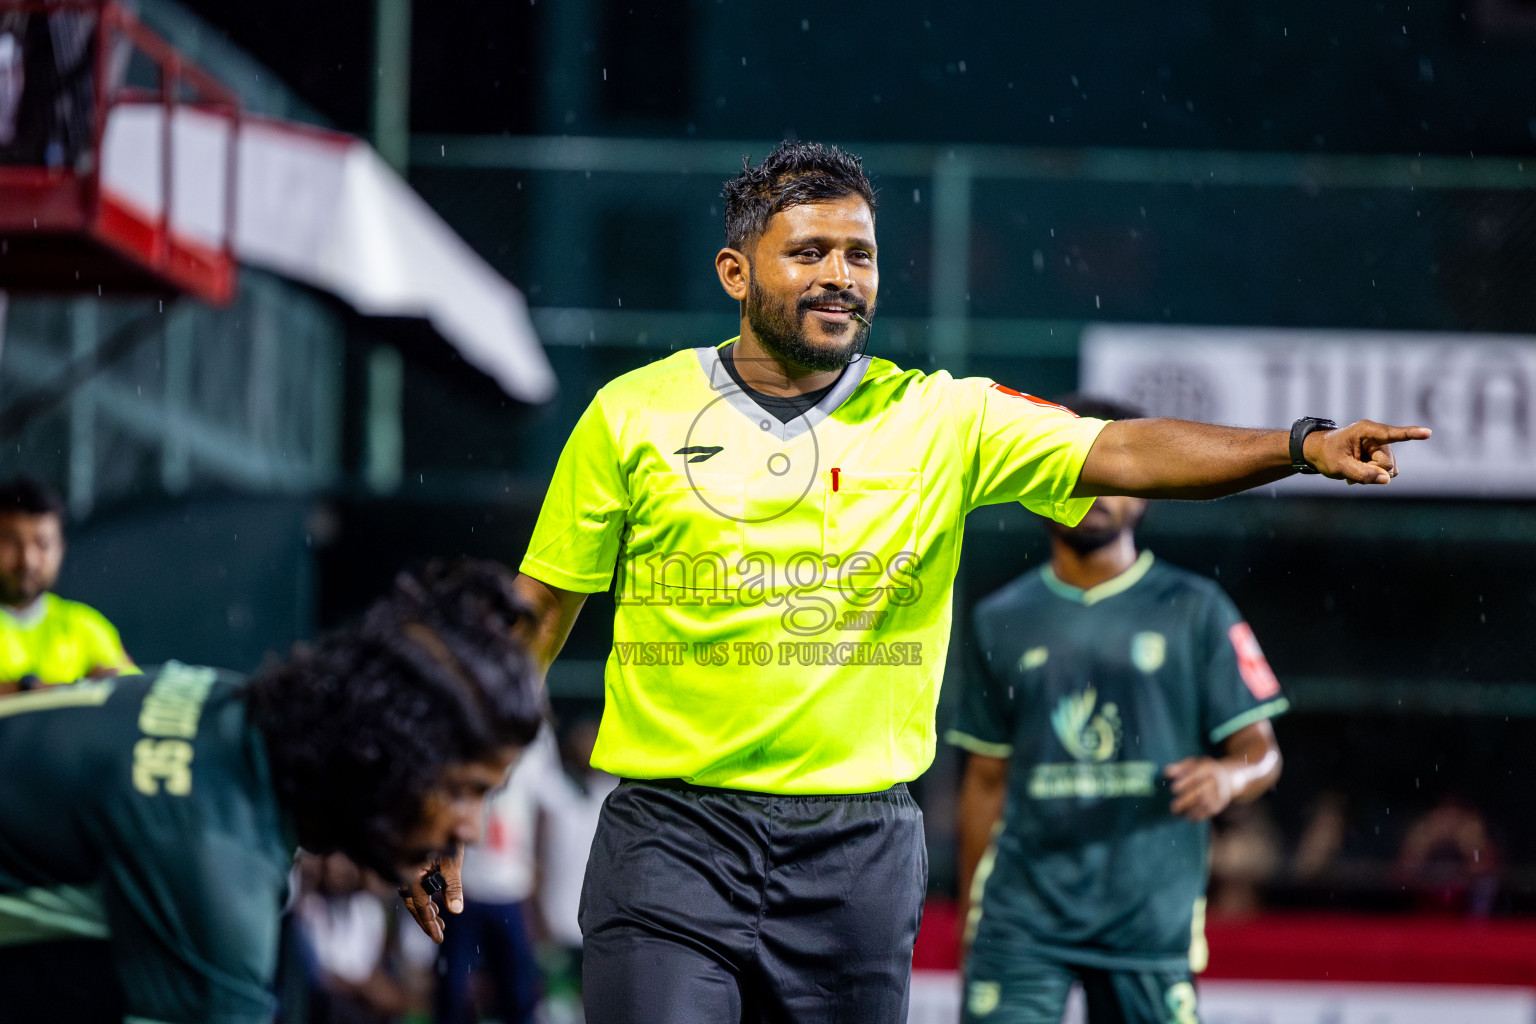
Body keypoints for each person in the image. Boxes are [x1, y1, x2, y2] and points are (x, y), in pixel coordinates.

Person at [402, 141, 1428, 1023]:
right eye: (808, 252)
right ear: (735, 272)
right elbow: (535, 621)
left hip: (855, 855)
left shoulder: (943, 418)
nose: (839, 275)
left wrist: (1299, 445)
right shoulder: (632, 414)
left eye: (859, 254)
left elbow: (1124, 448)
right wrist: (457, 797)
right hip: (672, 841)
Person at [0, 558, 543, 1024]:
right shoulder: (216, 869)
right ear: (389, 756)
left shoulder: (221, 695)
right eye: (464, 790)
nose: (472, 828)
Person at [950, 397, 1287, 1024]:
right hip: (1022, 921)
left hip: (1150, 919)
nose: (1097, 490)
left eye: (1114, 470)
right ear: (1037, 488)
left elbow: (1262, 753)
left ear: (1148, 489)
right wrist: (972, 916)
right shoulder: (999, 618)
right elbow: (985, 781)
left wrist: (1227, 776)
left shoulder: (1196, 607)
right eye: (1079, 471)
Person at [433, 728, 556, 1024]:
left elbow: (544, 805)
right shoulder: (469, 721)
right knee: (454, 990)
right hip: (465, 886)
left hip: (512, 886)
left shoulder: (537, 735)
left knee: (518, 991)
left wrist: (537, 871)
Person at [0, 474, 136, 689]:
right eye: (11, 542)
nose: (28, 560)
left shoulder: (85, 627)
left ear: (61, 549)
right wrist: (31, 690)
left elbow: (132, 692)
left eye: (43, 544)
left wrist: (116, 685)